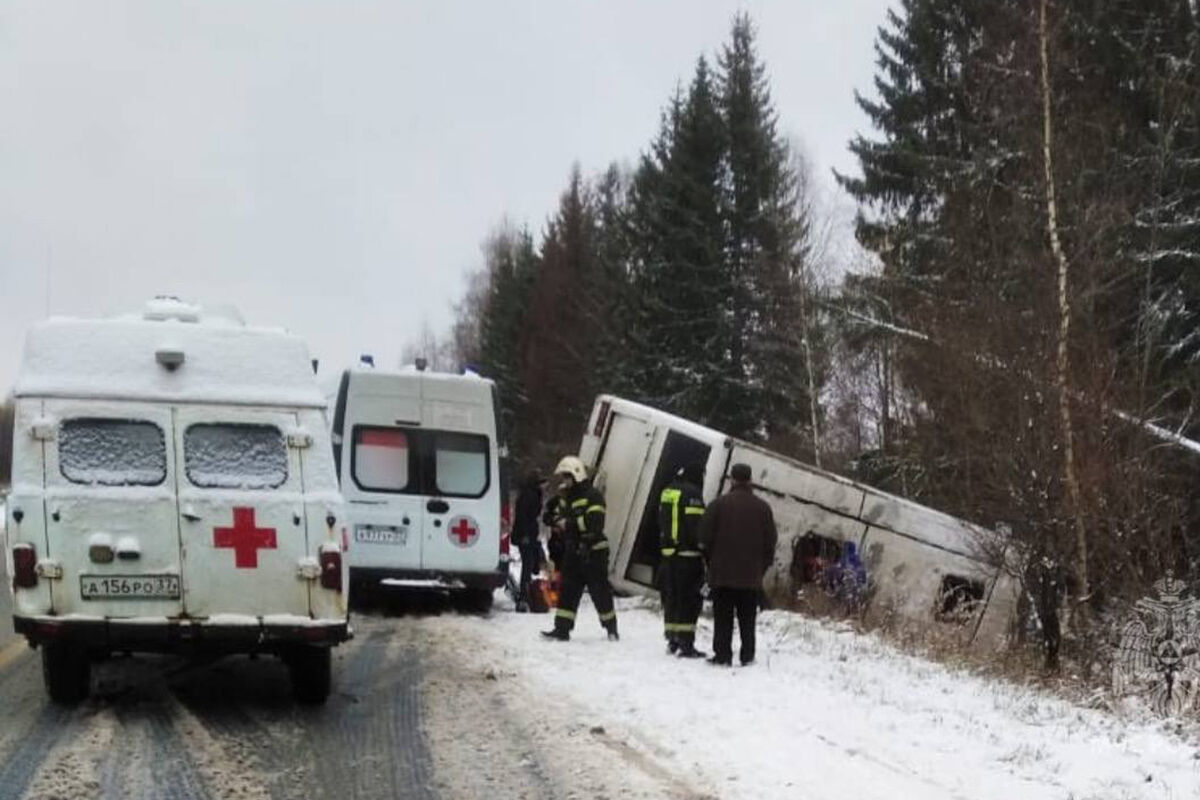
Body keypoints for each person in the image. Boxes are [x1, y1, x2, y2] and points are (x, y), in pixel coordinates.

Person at [698, 463, 777, 666]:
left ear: (732, 479)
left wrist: (711, 563)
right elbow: (771, 543)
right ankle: (747, 655)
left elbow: (704, 538)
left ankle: (723, 655)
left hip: (722, 574)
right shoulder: (763, 508)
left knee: (723, 617)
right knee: (747, 618)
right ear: (750, 480)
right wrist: (760, 569)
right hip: (751, 577)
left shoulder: (718, 505)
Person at [541, 456, 618, 642]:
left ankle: (611, 629)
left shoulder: (593, 496)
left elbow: (595, 524)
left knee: (599, 592)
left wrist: (568, 524)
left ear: (576, 475)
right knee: (568, 590)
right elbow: (551, 516)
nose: (565, 481)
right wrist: (552, 514)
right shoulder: (567, 497)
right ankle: (562, 629)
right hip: (573, 551)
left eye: (567, 477)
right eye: (563, 477)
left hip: (594, 552)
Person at [657, 462, 707, 658]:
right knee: (689, 600)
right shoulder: (692, 494)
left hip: (668, 555)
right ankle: (686, 643)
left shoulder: (667, 491)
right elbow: (696, 526)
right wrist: (703, 546)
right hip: (687, 556)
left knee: (671, 597)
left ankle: (672, 638)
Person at [512, 470, 546, 612]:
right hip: (525, 534)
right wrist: (525, 534)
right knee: (528, 564)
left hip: (528, 533)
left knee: (531, 563)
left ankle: (525, 592)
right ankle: (524, 595)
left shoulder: (531, 494)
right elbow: (523, 516)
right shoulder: (529, 495)